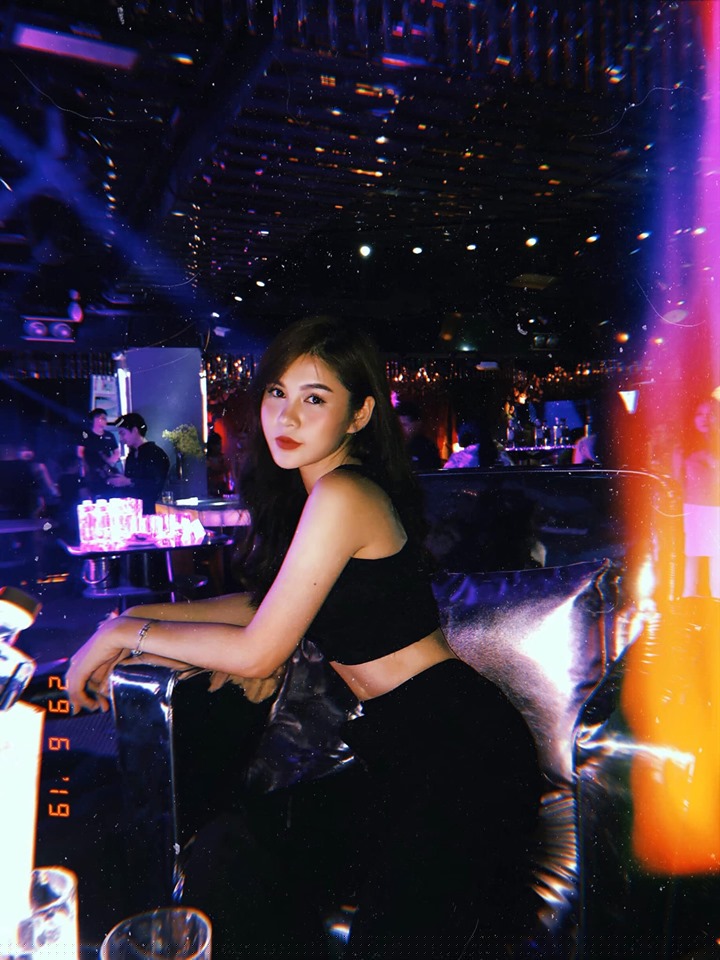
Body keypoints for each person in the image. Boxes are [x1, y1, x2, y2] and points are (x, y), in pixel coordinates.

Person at [66, 317, 542, 958]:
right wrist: (130, 622)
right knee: (231, 851)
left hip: (459, 755)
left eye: (314, 398)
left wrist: (127, 632)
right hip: (397, 751)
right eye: (276, 393)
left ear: (359, 414)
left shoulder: (343, 493)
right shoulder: (319, 492)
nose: (286, 416)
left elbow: (260, 648)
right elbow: (262, 607)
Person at [672, 397, 720, 598]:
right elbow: (677, 485)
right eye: (700, 414)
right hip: (692, 511)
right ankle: (688, 602)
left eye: (711, 414)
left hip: (717, 511)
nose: (704, 419)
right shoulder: (683, 449)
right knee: (690, 562)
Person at [106, 412, 170, 513]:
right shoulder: (131, 456)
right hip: (133, 511)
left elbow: (155, 485)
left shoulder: (156, 453)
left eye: (123, 433)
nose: (121, 439)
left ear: (135, 431)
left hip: (153, 512)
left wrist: (128, 481)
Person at [76, 409, 120, 495]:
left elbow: (116, 452)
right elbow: (79, 452)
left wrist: (111, 461)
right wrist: (83, 468)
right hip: (91, 472)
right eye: (102, 418)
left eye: (105, 418)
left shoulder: (109, 435)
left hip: (107, 471)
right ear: (94, 419)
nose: (105, 420)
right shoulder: (85, 435)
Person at [395, 400, 442, 470]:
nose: (400, 429)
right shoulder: (392, 445)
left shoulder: (427, 448)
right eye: (398, 425)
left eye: (405, 425)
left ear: (417, 424)